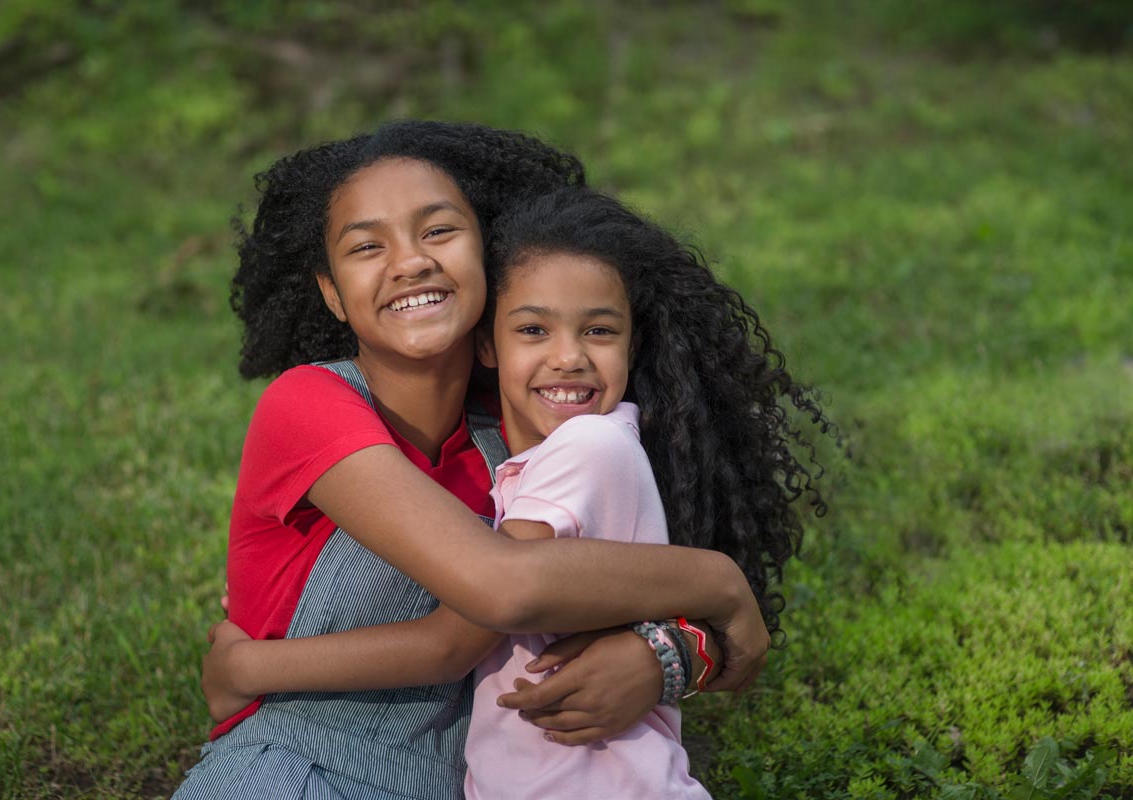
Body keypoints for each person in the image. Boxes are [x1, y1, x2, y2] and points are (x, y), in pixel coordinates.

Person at [174, 121, 778, 800]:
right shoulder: (308, 405)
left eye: (438, 231)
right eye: (368, 246)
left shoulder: (522, 432)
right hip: (292, 767)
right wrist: (721, 584)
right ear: (333, 292)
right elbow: (502, 588)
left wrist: (665, 655)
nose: (410, 262)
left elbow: (626, 554)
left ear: (487, 265)